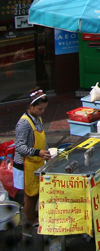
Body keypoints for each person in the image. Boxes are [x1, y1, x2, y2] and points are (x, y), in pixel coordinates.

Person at [13, 88, 52, 228]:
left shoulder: (37, 118)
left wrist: (46, 152)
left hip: (37, 162)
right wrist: (38, 153)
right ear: (31, 106)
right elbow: (20, 147)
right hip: (25, 164)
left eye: (44, 109)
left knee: (37, 192)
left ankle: (35, 214)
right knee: (30, 195)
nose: (42, 112)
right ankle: (30, 220)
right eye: (40, 109)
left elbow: (42, 138)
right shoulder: (24, 123)